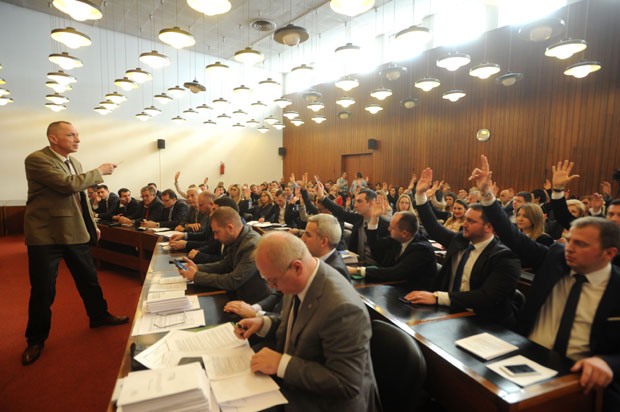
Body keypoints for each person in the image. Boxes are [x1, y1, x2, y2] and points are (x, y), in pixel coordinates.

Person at [471, 155, 620, 411]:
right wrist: (487, 195)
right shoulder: (555, 257)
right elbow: (513, 236)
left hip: (580, 377)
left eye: (581, 244)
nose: (569, 248)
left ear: (609, 253)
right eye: (569, 241)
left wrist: (608, 362)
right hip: (526, 353)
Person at [233, 232, 381, 411]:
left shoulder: (343, 309)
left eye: (273, 281)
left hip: (327, 403)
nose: (271, 287)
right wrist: (264, 323)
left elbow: (345, 384)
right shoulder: (301, 278)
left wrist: (281, 364)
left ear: (297, 267)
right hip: (300, 381)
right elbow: (302, 322)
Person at [22, 121, 128, 365]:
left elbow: (81, 199)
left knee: (89, 280)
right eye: (71, 135)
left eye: (77, 135)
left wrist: (92, 226)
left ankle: (99, 316)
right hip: (46, 235)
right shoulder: (37, 159)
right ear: (53, 138)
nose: (77, 139)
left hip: (74, 231)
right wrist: (99, 171)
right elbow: (67, 185)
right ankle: (35, 340)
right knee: (43, 289)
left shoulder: (75, 163)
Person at [404, 167, 521, 325]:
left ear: (489, 227)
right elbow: (433, 227)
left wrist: (438, 297)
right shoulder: (461, 240)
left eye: (471, 221)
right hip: (450, 312)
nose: (464, 224)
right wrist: (420, 195)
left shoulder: (505, 258)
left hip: (484, 322)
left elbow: (486, 297)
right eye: (465, 219)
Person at [224, 213, 351, 319]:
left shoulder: (335, 272)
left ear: (323, 242)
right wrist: (255, 308)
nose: (302, 238)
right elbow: (280, 294)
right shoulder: (310, 259)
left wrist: (256, 315)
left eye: (307, 234)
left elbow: (301, 319)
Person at [176, 206, 270, 303]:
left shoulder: (251, 245)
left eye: (217, 232)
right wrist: (197, 268)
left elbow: (233, 281)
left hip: (252, 300)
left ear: (230, 228)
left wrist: (196, 276)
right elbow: (225, 264)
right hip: (238, 294)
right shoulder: (238, 237)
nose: (215, 237)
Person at [348, 197, 437, 289]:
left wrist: (356, 271)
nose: (388, 229)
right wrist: (374, 218)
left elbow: (395, 273)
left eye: (392, 228)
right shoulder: (399, 239)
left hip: (413, 292)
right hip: (395, 287)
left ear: (404, 233)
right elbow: (374, 244)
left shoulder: (422, 250)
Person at [318, 185, 389, 265]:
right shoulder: (359, 218)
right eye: (355, 201)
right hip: (356, 263)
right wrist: (322, 197)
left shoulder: (385, 225)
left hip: (375, 268)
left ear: (371, 203)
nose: (355, 205)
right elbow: (341, 212)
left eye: (359, 201)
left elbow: (384, 257)